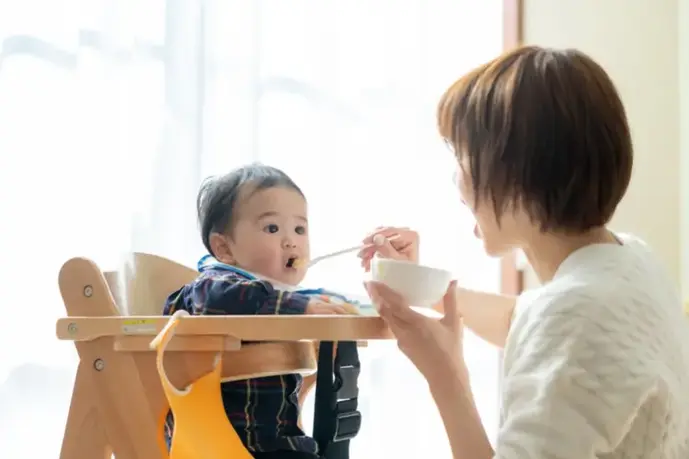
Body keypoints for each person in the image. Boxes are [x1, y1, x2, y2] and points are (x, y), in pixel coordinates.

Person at [360, 46, 689, 458]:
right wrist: (422, 287)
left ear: (516, 173)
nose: (457, 181)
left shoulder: (574, 313)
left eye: (462, 157)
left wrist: (445, 375)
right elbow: (522, 318)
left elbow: (559, 327)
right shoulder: (630, 262)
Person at [163, 164, 353, 459]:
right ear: (224, 248)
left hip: (277, 444)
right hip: (224, 445)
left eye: (300, 229)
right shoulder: (213, 285)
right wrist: (302, 308)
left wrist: (332, 305)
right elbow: (226, 301)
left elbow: (285, 301)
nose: (291, 241)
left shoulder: (281, 299)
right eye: (272, 228)